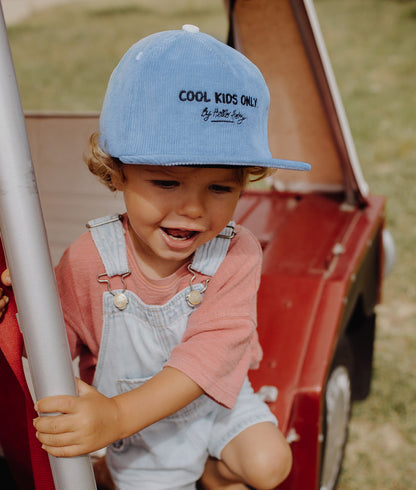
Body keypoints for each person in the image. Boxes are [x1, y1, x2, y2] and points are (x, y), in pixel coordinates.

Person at [0, 25, 310, 490]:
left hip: (207, 397)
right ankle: (120, 470)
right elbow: (52, 349)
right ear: (117, 172)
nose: (192, 208)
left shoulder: (236, 252)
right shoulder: (89, 259)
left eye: (220, 188)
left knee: (269, 465)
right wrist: (21, 312)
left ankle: (209, 471)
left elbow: (210, 358)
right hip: (125, 416)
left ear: (245, 182)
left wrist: (118, 417)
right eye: (166, 182)